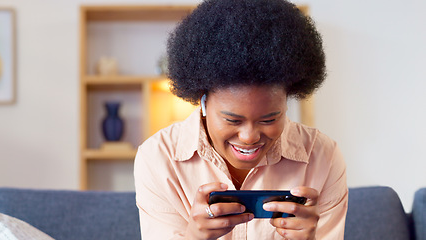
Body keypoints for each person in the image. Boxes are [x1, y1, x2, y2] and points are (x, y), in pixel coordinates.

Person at [134, 0, 348, 239]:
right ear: (203, 101)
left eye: (269, 119)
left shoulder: (323, 157)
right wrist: (195, 237)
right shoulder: (159, 159)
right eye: (233, 120)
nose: (249, 137)